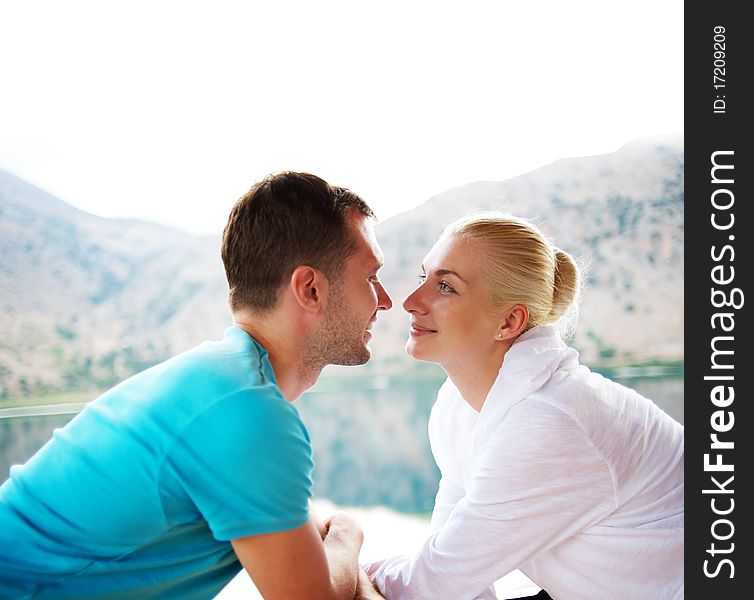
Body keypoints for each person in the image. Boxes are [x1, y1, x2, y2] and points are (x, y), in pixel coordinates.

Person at [0, 172, 393, 599]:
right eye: (371, 277)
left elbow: (308, 544)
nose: (386, 300)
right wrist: (349, 533)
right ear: (310, 289)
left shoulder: (222, 384)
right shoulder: (245, 413)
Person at [364, 212, 684, 600]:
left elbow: (431, 583)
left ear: (510, 321)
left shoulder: (550, 417)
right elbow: (455, 570)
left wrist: (342, 551)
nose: (412, 302)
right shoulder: (457, 407)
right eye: (423, 277)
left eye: (445, 286)